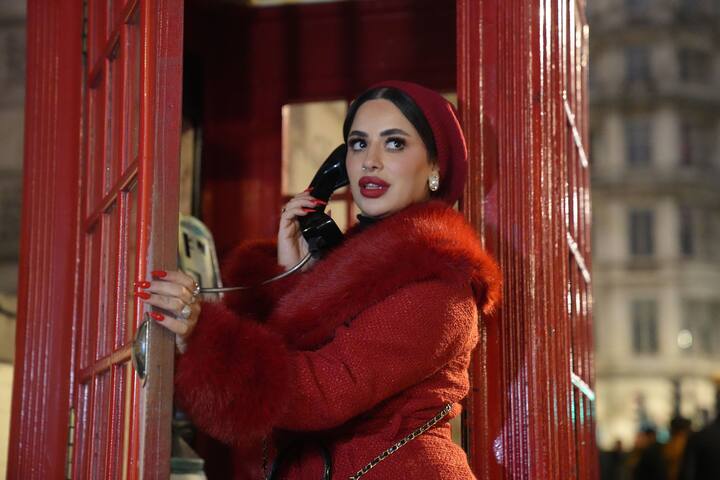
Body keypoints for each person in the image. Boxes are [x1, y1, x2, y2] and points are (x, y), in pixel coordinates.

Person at [135, 81, 502, 479]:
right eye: (358, 144)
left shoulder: (440, 287)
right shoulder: (347, 272)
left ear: (435, 167)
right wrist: (293, 275)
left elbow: (325, 391)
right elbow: (277, 386)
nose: (370, 161)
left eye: (394, 143)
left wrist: (206, 335)